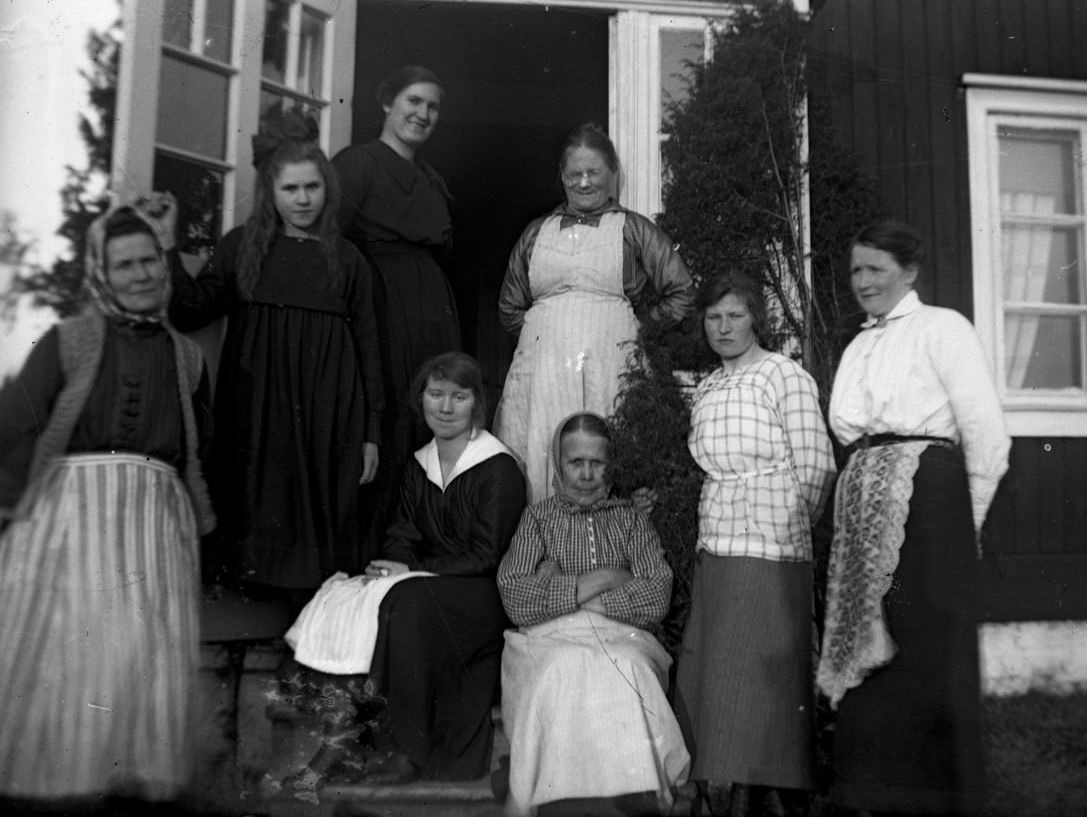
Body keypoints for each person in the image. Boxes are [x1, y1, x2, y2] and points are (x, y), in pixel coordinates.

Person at [0, 200, 214, 804]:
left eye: (149, 260)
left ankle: (130, 787)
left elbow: (201, 447)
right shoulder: (68, 340)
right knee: (71, 648)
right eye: (124, 265)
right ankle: (57, 785)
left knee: (141, 653)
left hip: (155, 520)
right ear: (101, 273)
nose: (141, 274)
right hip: (71, 515)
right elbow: (15, 426)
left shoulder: (188, 357)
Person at [817, 222, 1011, 816]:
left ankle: (934, 800)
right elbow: (848, 431)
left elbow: (986, 435)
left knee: (923, 647)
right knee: (867, 639)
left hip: (930, 503)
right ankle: (869, 791)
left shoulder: (943, 328)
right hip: (864, 500)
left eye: (876, 268)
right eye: (856, 270)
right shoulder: (858, 346)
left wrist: (964, 528)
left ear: (910, 271)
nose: (863, 281)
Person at [168, 113, 384, 606]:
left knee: (321, 524)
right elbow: (188, 309)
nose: (302, 199)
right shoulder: (241, 246)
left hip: (329, 407)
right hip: (258, 403)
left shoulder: (348, 259)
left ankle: (312, 622)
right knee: (256, 501)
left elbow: (369, 350)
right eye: (290, 188)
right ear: (271, 191)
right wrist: (167, 246)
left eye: (312, 187)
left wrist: (371, 430)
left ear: (327, 189)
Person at [284, 352, 527, 789]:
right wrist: (391, 568)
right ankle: (340, 729)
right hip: (427, 588)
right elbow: (402, 534)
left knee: (406, 600)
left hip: (480, 598)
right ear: (421, 399)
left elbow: (485, 555)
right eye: (436, 394)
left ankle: (407, 750)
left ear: (477, 402)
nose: (446, 407)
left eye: (459, 396)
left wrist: (410, 570)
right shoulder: (419, 465)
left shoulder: (498, 466)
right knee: (344, 592)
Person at [673, 271, 836, 817]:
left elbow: (816, 465)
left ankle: (770, 789)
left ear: (756, 320)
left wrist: (788, 523)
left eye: (735, 315)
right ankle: (725, 785)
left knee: (765, 672)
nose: (724, 327)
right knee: (719, 669)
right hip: (717, 539)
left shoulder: (782, 375)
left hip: (772, 543)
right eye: (714, 317)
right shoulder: (707, 387)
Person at [497, 412, 690, 816]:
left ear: (611, 465)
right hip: (548, 638)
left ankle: (631, 792)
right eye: (575, 463)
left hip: (621, 634)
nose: (586, 475)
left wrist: (560, 588)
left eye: (597, 463)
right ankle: (561, 797)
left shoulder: (630, 519)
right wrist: (608, 578)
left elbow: (657, 593)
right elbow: (514, 593)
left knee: (624, 664)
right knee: (561, 666)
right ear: (558, 463)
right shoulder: (538, 519)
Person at [494, 123, 694, 503]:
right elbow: (509, 307)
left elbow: (682, 292)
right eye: (574, 174)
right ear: (561, 176)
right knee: (540, 453)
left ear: (613, 173)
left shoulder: (634, 229)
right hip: (543, 373)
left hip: (609, 368)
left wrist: (636, 331)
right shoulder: (536, 233)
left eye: (594, 172)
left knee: (606, 456)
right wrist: (548, 335)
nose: (584, 183)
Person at [332, 65, 463, 556]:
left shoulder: (431, 179)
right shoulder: (358, 163)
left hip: (431, 312)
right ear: (387, 102)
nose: (422, 114)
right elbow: (331, 244)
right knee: (389, 423)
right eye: (413, 101)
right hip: (383, 308)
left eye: (432, 106)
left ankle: (417, 551)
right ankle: (372, 553)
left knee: (431, 422)